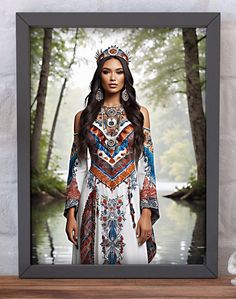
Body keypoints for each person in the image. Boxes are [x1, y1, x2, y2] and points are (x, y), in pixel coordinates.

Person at [63, 45, 160, 264]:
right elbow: (77, 168)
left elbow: (147, 166)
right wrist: (71, 214)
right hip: (92, 199)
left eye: (119, 71)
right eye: (107, 72)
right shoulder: (83, 117)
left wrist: (147, 212)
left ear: (126, 76)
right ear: (99, 76)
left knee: (132, 269)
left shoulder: (140, 114)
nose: (113, 77)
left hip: (130, 200)